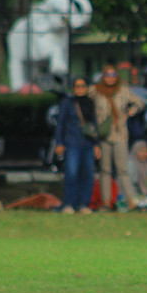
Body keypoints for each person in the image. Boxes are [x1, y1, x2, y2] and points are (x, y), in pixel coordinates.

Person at [89, 64, 144, 210]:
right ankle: (106, 202)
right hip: (103, 135)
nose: (110, 78)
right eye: (107, 75)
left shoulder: (123, 91)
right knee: (105, 170)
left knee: (123, 169)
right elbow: (83, 99)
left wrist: (133, 110)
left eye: (113, 75)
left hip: (120, 134)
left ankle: (132, 201)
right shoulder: (95, 91)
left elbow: (140, 102)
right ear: (103, 76)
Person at [54, 78, 102, 214]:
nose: (80, 89)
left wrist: (97, 144)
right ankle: (69, 203)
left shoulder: (90, 103)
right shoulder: (68, 103)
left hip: (88, 143)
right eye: (77, 86)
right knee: (72, 173)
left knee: (87, 175)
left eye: (83, 86)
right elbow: (61, 124)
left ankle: (83, 204)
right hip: (72, 142)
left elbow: (94, 124)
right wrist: (60, 142)